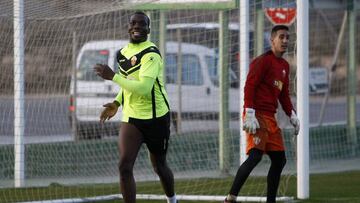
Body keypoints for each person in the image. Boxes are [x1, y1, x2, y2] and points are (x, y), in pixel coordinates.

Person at [93, 11, 177, 203]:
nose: (137, 26)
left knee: (159, 167)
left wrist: (113, 76)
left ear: (148, 28)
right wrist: (116, 102)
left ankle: (172, 200)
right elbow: (128, 84)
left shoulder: (151, 54)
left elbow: (144, 88)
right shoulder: (122, 53)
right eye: (133, 23)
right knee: (124, 166)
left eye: (142, 24)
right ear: (128, 27)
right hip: (132, 119)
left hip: (157, 119)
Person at [224, 25, 300, 203]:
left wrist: (292, 114)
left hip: (270, 118)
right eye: (281, 37)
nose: (285, 41)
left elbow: (283, 94)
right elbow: (249, 86)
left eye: (287, 37)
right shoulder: (262, 61)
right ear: (272, 40)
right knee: (255, 156)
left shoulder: (284, 66)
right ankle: (230, 198)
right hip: (256, 115)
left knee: (279, 160)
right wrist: (249, 112)